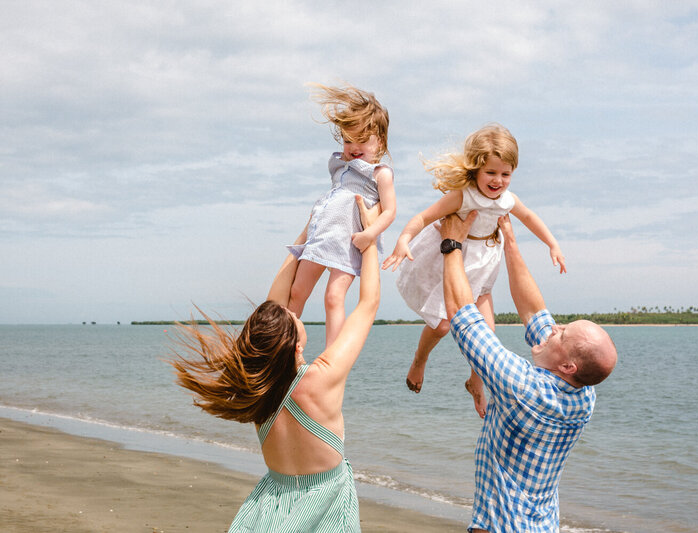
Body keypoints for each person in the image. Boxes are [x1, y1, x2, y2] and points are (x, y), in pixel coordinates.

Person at [170, 196, 381, 532]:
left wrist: (308, 233)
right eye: (292, 317)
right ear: (296, 344)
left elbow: (275, 306)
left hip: (271, 504)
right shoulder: (320, 380)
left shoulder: (255, 384)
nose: (293, 311)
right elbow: (368, 304)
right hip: (326, 503)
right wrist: (370, 238)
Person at [440, 212, 617, 532]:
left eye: (562, 333)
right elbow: (534, 310)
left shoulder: (521, 386)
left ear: (567, 366)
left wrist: (452, 244)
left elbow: (462, 316)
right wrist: (509, 238)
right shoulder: (584, 396)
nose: (555, 328)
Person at [382, 124, 565, 417]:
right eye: (491, 173)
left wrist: (552, 244)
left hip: (484, 261)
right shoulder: (462, 196)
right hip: (454, 256)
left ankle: (475, 382)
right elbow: (423, 217)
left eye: (506, 174)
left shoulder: (508, 200)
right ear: (476, 169)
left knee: (488, 336)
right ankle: (419, 360)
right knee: (442, 325)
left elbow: (530, 217)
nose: (498, 181)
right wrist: (403, 239)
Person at [287, 83, 396, 347]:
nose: (353, 146)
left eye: (362, 140)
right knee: (297, 291)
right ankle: (284, 346)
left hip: (349, 242)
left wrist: (369, 234)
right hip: (324, 236)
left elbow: (390, 211)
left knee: (333, 297)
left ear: (379, 141)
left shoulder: (381, 173)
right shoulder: (339, 167)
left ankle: (331, 355)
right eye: (348, 140)